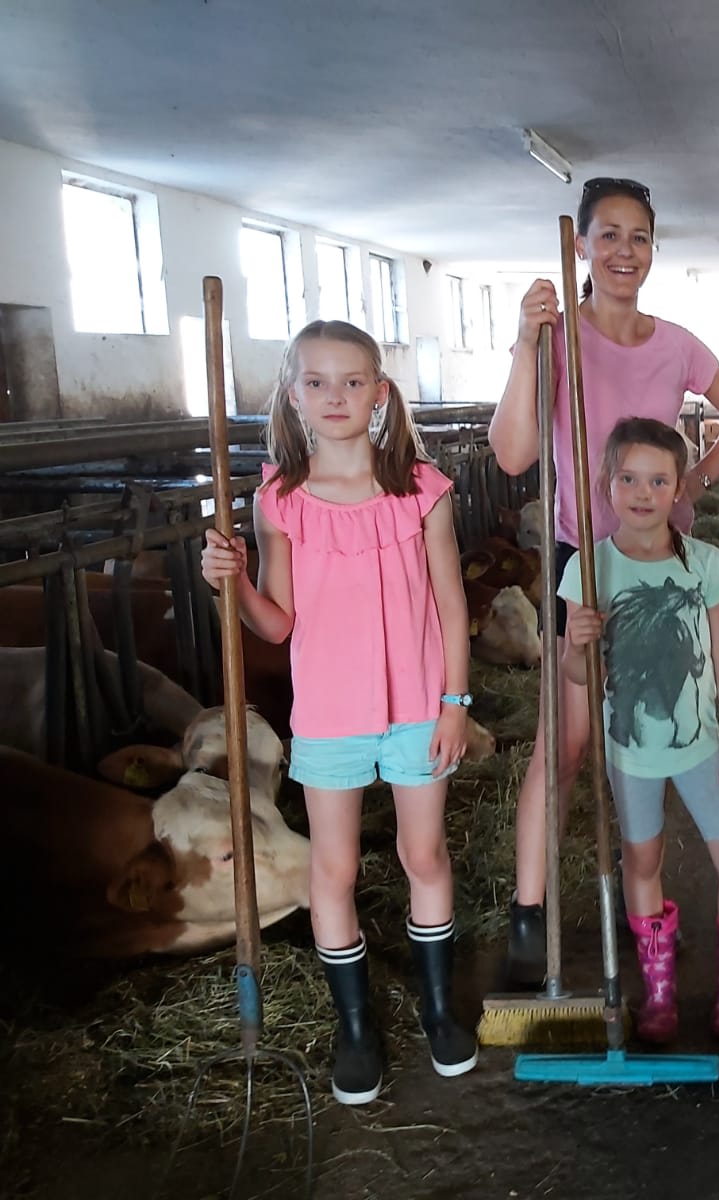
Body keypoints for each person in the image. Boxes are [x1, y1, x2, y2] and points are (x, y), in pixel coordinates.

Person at [488, 177, 719, 987]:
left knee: (666, 711)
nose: (623, 251)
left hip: (663, 561)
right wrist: (526, 344)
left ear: (653, 249)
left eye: (638, 236)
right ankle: (528, 913)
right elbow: (512, 453)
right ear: (581, 245)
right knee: (568, 741)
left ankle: (645, 892)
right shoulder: (555, 337)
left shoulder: (676, 344)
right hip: (584, 556)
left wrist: (696, 481)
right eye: (607, 234)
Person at [199, 320, 477, 1106]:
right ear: (293, 394)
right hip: (328, 714)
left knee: (425, 855)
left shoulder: (421, 489)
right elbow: (275, 623)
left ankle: (437, 1009)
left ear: (379, 394)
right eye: (316, 382)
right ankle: (355, 1030)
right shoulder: (280, 501)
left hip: (419, 705)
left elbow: (452, 605)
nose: (334, 396)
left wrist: (455, 703)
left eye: (353, 382)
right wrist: (230, 584)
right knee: (335, 868)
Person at [557, 418, 719, 1041]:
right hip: (630, 753)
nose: (643, 493)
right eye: (629, 479)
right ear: (606, 485)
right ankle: (660, 991)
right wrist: (576, 643)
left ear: (679, 488)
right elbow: (576, 673)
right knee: (641, 859)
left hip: (702, 746)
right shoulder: (588, 570)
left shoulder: (706, 564)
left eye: (658, 480)